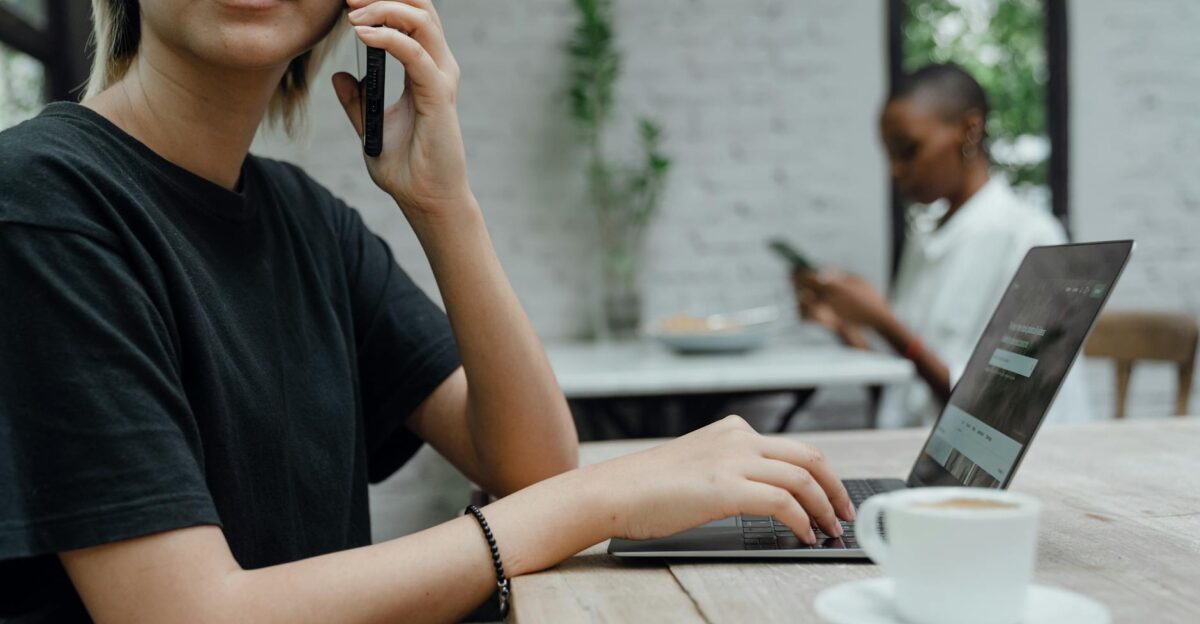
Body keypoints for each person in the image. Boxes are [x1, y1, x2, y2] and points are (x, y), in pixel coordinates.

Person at [0, 1, 853, 621]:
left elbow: (532, 465)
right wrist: (606, 498)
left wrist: (445, 205)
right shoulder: (43, 199)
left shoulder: (303, 218)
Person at [795, 63, 1090, 428]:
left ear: (969, 130)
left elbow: (995, 412)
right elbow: (904, 385)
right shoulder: (926, 240)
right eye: (889, 154)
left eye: (908, 150)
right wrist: (841, 324)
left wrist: (884, 322)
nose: (895, 171)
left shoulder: (1030, 238)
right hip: (912, 455)